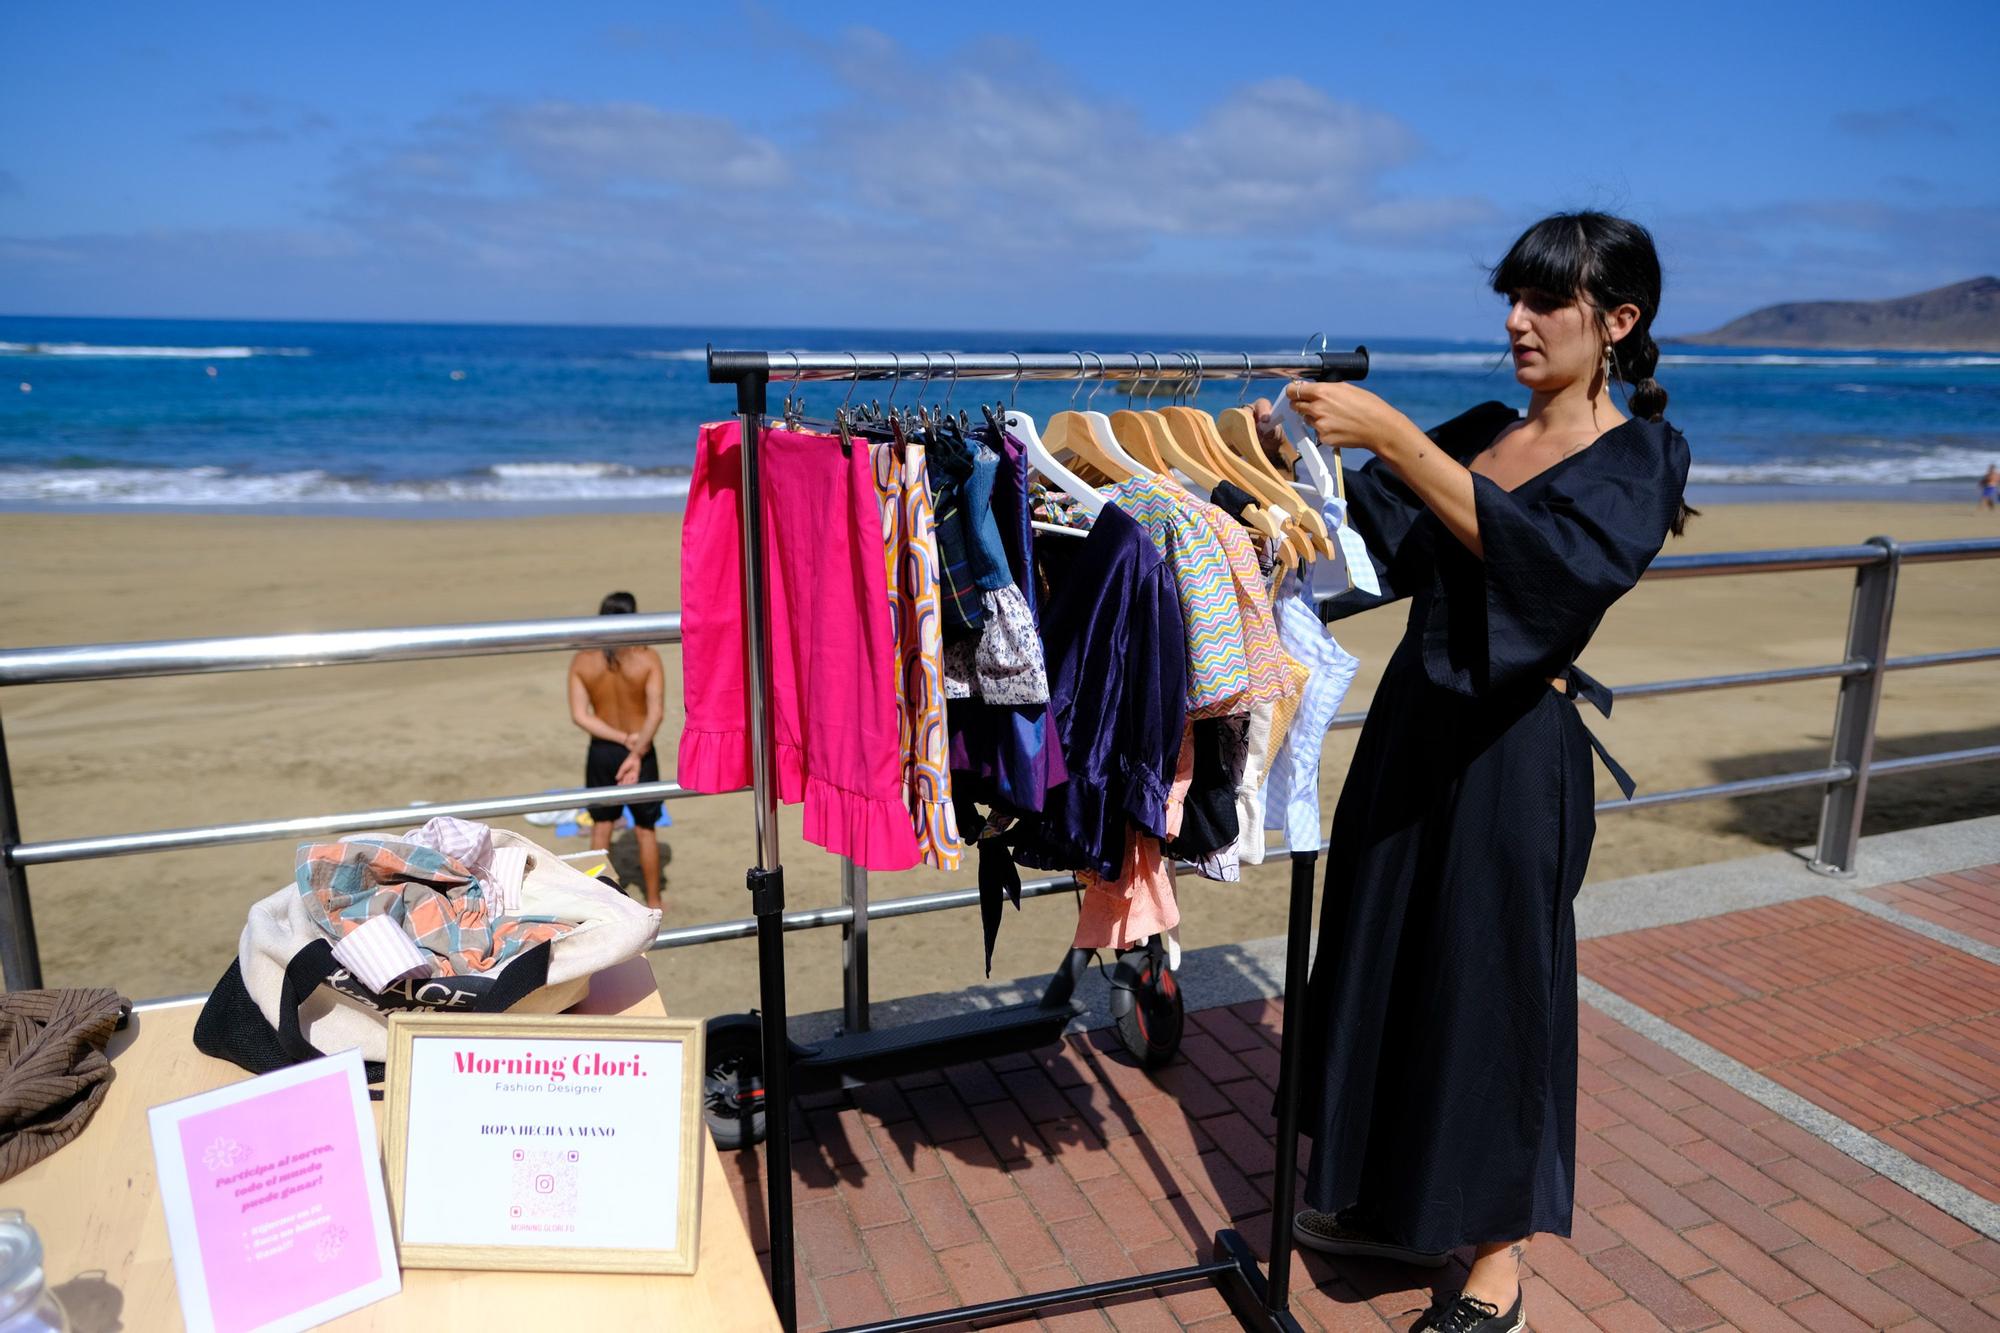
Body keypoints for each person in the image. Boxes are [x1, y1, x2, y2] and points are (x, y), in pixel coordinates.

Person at [1259, 212, 1693, 1333]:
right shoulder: (1484, 428)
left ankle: (1495, 1260)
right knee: (1383, 956)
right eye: (1510, 298)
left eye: (1545, 302)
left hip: (1513, 754)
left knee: (1492, 989)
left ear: (1618, 321)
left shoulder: (1640, 457)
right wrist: (1270, 490)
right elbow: (1368, 548)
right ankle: (1384, 1201)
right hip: (1411, 727)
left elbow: (1549, 576)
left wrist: (1395, 436)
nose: (1516, 321)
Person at [567, 591, 666, 909]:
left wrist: (620, 738)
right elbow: (656, 714)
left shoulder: (583, 659)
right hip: (642, 746)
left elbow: (581, 716)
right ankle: (653, 899)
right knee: (646, 829)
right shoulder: (647, 657)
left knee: (602, 826)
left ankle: (598, 903)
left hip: (602, 751)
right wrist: (635, 750)